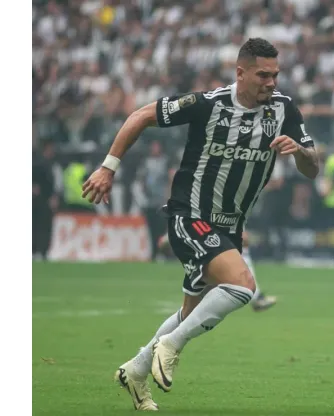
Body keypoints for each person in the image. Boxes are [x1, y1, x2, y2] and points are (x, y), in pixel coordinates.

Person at [81, 38, 319, 411]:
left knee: (190, 313)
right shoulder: (207, 104)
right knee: (243, 287)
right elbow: (141, 116)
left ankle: (136, 370)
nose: (271, 82)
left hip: (228, 228)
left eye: (276, 75)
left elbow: (312, 168)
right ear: (240, 73)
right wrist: (108, 168)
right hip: (189, 216)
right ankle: (170, 346)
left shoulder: (284, 109)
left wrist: (300, 152)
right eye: (263, 75)